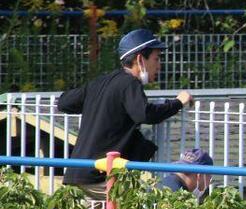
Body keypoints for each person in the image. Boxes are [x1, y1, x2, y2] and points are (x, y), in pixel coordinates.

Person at [57, 29, 193, 199]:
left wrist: (96, 104)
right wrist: (178, 102)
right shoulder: (129, 83)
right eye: (156, 59)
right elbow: (145, 114)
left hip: (77, 172)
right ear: (140, 59)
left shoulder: (101, 82)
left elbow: (64, 103)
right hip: (100, 177)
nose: (159, 65)